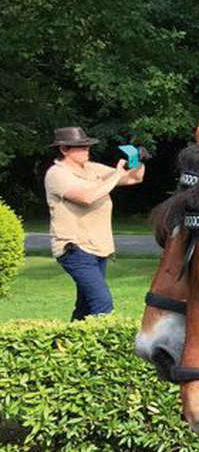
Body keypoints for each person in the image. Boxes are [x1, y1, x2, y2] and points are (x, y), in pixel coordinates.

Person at [43, 125, 145, 320]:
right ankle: (105, 347)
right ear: (64, 150)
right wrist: (116, 174)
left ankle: (67, 346)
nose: (86, 150)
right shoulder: (56, 174)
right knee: (102, 303)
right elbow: (86, 197)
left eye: (87, 146)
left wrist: (138, 161)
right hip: (74, 248)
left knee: (85, 307)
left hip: (98, 247)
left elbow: (134, 178)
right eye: (80, 147)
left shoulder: (92, 168)